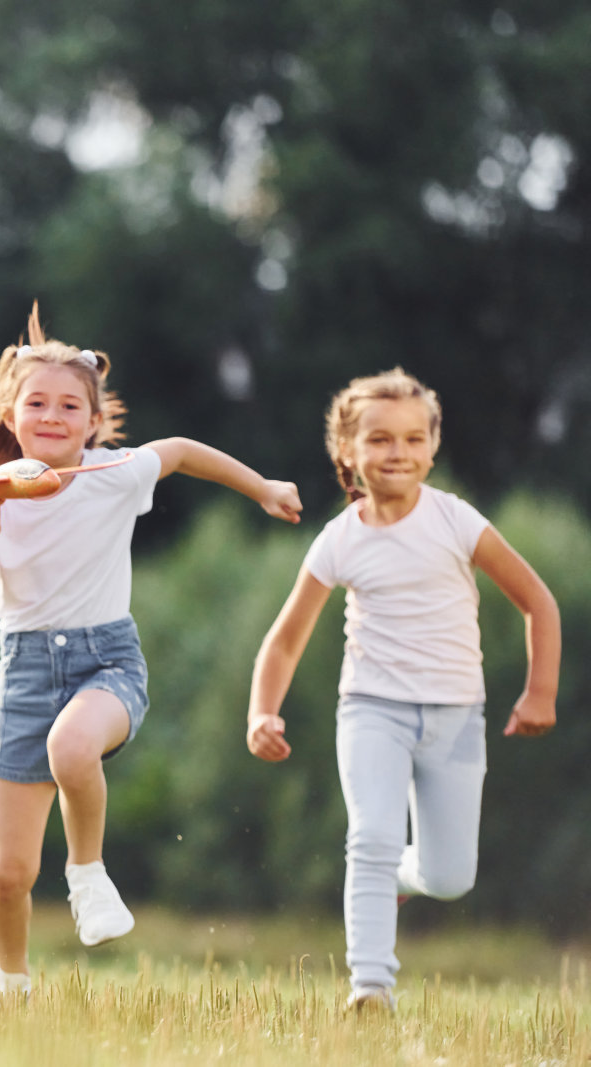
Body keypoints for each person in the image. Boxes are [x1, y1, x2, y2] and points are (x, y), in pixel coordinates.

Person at [0, 311, 302, 1004]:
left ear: (94, 421)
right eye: (37, 402)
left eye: (69, 405)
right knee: (7, 874)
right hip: (23, 675)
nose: (52, 414)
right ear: (12, 416)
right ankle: (9, 978)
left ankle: (87, 875)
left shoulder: (116, 475)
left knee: (72, 747)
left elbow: (185, 450)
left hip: (107, 662)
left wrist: (263, 487)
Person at [246, 368, 559, 1012]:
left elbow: (538, 602)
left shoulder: (456, 521)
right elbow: (285, 639)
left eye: (414, 440)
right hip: (370, 710)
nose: (399, 453)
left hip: (456, 716)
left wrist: (540, 693)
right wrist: (262, 711)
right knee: (370, 835)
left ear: (433, 447)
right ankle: (371, 990)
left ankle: (396, 877)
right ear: (349, 452)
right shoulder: (340, 539)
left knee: (448, 878)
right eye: (382, 440)